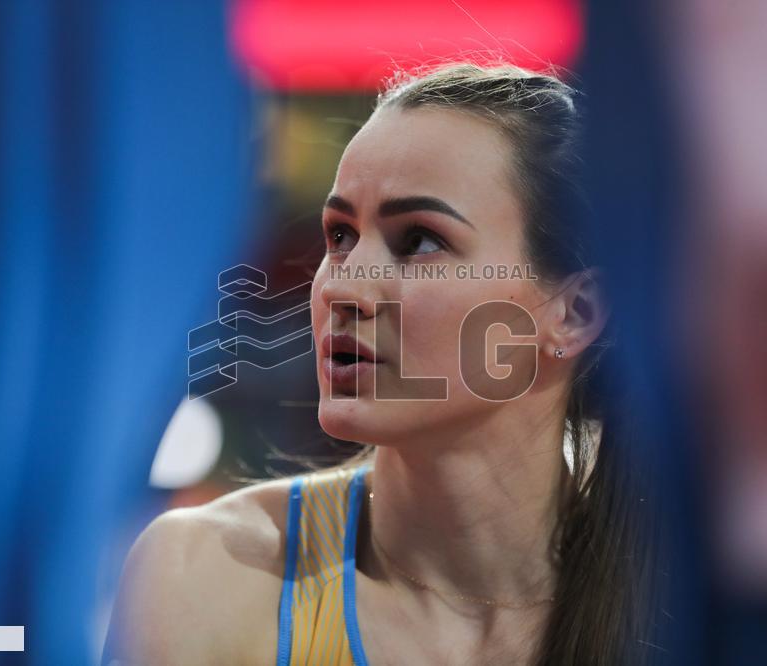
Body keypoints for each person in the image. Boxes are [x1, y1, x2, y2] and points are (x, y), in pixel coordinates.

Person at [103, 61, 662, 665]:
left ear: (575, 312)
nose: (342, 288)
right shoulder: (204, 576)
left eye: (419, 240)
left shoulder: (678, 597)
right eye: (340, 236)